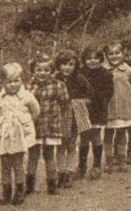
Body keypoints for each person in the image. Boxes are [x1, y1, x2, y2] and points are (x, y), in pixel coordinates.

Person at [0, 62, 39, 205]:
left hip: (19, 136)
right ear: (3, 82)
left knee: (18, 163)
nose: (13, 85)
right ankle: (6, 192)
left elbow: (35, 111)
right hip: (4, 137)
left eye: (16, 81)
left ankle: (19, 191)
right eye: (9, 82)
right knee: (5, 164)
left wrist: (25, 124)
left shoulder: (27, 97)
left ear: (21, 80)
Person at [26, 52, 70, 195]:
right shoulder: (29, 86)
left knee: (49, 155)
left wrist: (59, 119)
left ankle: (52, 184)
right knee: (33, 155)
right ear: (33, 70)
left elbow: (64, 103)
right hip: (35, 126)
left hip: (51, 126)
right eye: (39, 70)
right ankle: (29, 185)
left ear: (51, 71)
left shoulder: (58, 85)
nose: (42, 73)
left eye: (46, 70)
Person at [54, 49, 91, 188]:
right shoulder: (55, 78)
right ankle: (60, 172)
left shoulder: (80, 79)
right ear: (58, 65)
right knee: (60, 145)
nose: (67, 67)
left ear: (75, 66)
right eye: (64, 64)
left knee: (71, 144)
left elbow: (90, 96)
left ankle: (69, 171)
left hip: (74, 116)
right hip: (58, 116)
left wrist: (78, 102)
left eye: (71, 64)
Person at [104, 41, 131, 174]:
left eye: (117, 53)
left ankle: (122, 158)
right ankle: (109, 160)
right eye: (111, 54)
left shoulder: (129, 71)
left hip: (123, 107)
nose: (114, 56)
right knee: (108, 134)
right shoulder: (103, 70)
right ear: (106, 56)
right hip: (108, 108)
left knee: (121, 133)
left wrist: (127, 99)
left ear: (123, 54)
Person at [79, 46, 114, 180]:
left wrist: (97, 99)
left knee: (95, 136)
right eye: (89, 58)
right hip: (83, 109)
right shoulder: (80, 73)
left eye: (95, 58)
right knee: (83, 137)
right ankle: (82, 166)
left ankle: (96, 166)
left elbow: (109, 93)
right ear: (84, 60)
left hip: (98, 109)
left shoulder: (106, 74)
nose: (92, 61)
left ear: (101, 59)